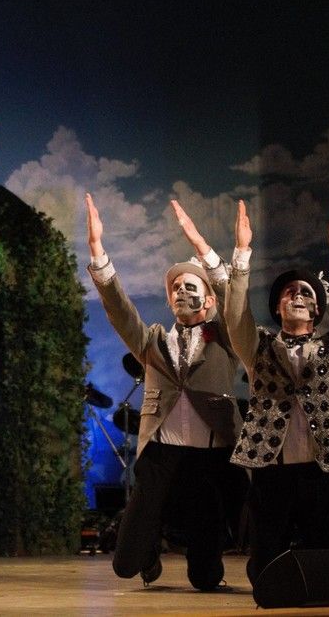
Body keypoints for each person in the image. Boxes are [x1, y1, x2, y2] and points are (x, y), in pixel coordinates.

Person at [175, 199, 329, 583]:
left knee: (328, 569)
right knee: (264, 573)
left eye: (306, 292)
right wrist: (241, 252)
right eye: (290, 291)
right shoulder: (258, 345)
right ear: (277, 307)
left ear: (317, 310)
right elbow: (234, 312)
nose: (298, 295)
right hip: (271, 472)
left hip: (321, 470)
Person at [85, 195, 241, 592]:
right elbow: (120, 311)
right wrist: (98, 253)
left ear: (209, 300)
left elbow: (235, 306)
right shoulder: (153, 341)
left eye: (190, 286)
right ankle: (148, 546)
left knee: (206, 578)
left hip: (209, 457)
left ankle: (198, 558)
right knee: (125, 565)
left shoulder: (226, 338)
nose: (180, 291)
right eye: (175, 287)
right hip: (161, 456)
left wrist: (202, 249)